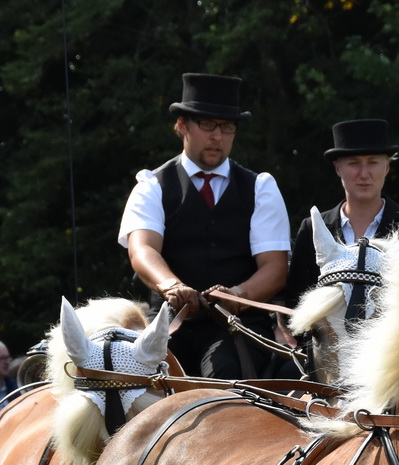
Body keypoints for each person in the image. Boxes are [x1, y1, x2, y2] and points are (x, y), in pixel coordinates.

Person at [119, 73, 289, 378]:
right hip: (168, 322)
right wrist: (172, 286)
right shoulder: (152, 185)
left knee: (224, 377)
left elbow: (275, 268)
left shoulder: (260, 188)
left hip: (237, 327)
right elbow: (142, 250)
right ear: (182, 126)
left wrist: (238, 295)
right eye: (208, 125)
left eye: (227, 127)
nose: (218, 136)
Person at [285, 119, 399, 307]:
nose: (364, 173)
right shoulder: (313, 229)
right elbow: (295, 302)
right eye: (354, 163)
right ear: (338, 168)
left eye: (373, 163)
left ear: (387, 166)